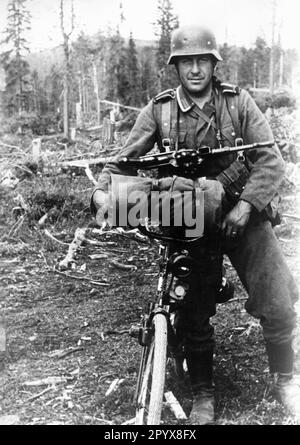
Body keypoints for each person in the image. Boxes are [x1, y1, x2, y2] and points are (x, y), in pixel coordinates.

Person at [91, 25, 299, 424]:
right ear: (176, 67)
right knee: (191, 306)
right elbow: (123, 160)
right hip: (190, 216)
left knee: (276, 294)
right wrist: (102, 193)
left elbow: (271, 160)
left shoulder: (238, 104)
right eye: (187, 62)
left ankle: (285, 378)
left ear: (213, 63)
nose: (195, 69)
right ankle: (204, 392)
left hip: (242, 214)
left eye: (202, 60)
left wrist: (246, 208)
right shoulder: (161, 110)